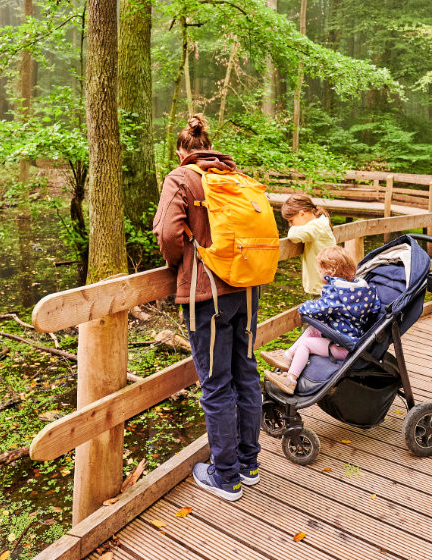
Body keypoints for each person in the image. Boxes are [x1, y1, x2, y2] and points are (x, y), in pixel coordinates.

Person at [152, 114, 261, 502]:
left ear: (182, 151)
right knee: (246, 375)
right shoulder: (235, 177)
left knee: (216, 383)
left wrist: (176, 263)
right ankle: (248, 464)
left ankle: (225, 476)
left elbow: (167, 232)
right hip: (247, 289)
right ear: (208, 145)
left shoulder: (180, 178)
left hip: (208, 295)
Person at [260, 245, 382, 394]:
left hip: (342, 346)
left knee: (306, 344)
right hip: (349, 337)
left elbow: (319, 307)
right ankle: (287, 356)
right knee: (313, 329)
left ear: (330, 271)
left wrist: (304, 308)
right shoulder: (361, 289)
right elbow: (375, 308)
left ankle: (290, 380)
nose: (319, 274)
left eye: (320, 271)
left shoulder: (337, 293)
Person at [281, 194, 336, 295]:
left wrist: (293, 229)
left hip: (322, 288)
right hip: (324, 286)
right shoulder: (320, 223)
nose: (290, 225)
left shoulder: (317, 226)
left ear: (302, 214)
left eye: (291, 221)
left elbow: (293, 235)